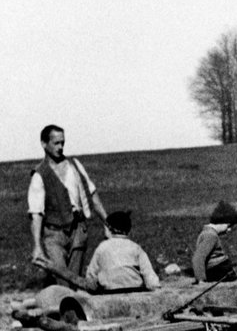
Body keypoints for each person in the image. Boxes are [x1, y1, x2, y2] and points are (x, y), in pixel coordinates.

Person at [28, 124, 110, 287]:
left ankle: (73, 311)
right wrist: (37, 246)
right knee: (62, 282)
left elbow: (92, 194)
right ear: (44, 144)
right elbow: (36, 213)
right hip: (54, 234)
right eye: (56, 143)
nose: (60, 147)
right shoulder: (39, 175)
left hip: (78, 230)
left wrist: (108, 224)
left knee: (76, 280)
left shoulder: (75, 165)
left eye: (62, 143)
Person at [33, 210, 160, 293]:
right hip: (135, 292)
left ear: (109, 229)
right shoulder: (136, 248)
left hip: (110, 293)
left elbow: (91, 278)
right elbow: (150, 277)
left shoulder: (102, 248)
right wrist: (154, 288)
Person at [193, 201, 237, 282]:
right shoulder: (211, 236)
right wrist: (201, 280)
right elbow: (198, 258)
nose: (229, 230)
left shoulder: (207, 233)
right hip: (216, 272)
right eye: (229, 226)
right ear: (221, 222)